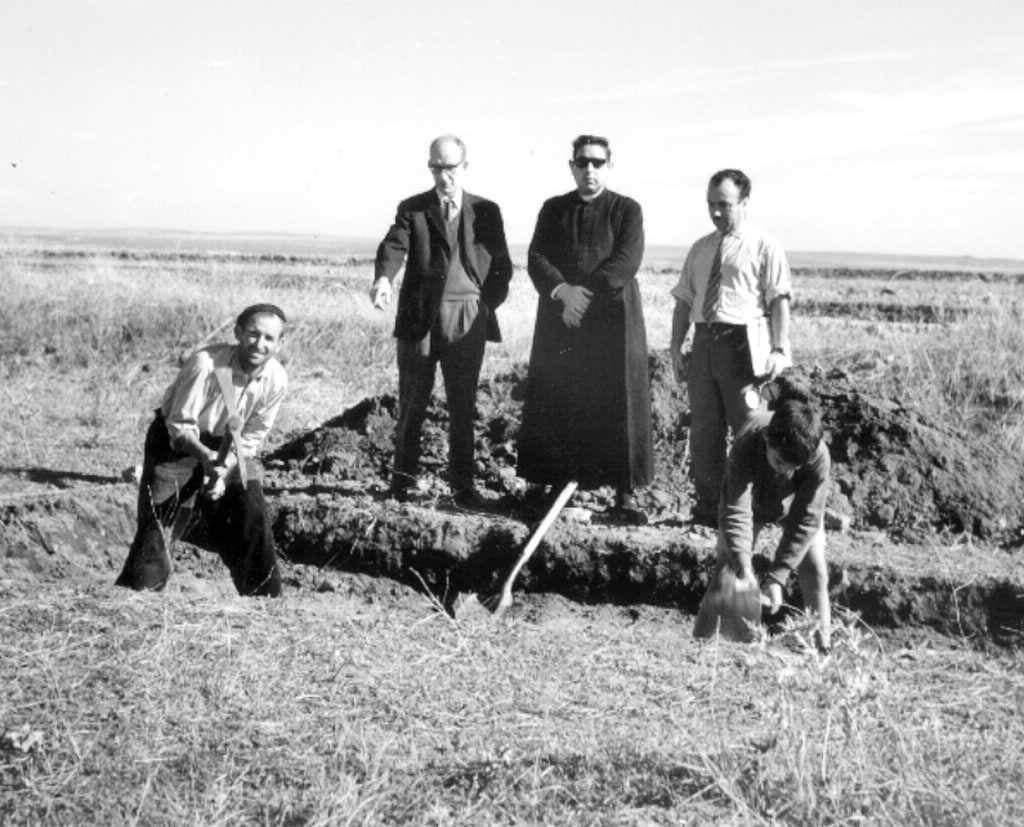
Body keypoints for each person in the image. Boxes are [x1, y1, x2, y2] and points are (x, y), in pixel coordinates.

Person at [370, 134, 512, 508]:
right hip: (420, 319)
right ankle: (402, 484)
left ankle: (463, 488)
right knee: (412, 401)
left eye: (449, 167)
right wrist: (384, 279)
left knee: (462, 405)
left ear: (464, 167)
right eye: (436, 167)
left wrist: (483, 307)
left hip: (468, 316)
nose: (442, 175)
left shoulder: (487, 211)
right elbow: (394, 245)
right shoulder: (413, 208)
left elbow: (501, 267)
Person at [518, 134, 653, 523]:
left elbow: (627, 260)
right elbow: (537, 256)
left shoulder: (627, 210)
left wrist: (584, 296)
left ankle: (624, 496)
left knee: (617, 396)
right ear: (572, 166)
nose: (589, 169)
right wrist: (563, 292)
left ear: (609, 165)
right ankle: (549, 483)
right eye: (582, 162)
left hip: (612, 318)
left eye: (597, 162)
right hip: (561, 317)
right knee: (556, 394)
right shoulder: (553, 208)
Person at [115, 303, 288, 596]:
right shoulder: (206, 365)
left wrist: (225, 467)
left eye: (269, 338)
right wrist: (207, 459)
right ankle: (139, 595)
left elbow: (253, 436)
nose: (260, 344)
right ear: (237, 332)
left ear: (279, 343)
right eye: (253, 334)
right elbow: (179, 427)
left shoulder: (276, 379)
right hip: (177, 444)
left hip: (229, 447)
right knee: (162, 518)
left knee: (252, 508)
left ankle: (265, 598)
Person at [670, 168, 793, 526]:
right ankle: (709, 509)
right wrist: (676, 347)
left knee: (752, 429)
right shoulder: (700, 248)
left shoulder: (764, 246)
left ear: (745, 203)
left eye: (724, 204)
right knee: (705, 432)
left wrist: (778, 349)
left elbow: (778, 301)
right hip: (705, 343)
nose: (716, 212)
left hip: (744, 346)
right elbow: (683, 301)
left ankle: (762, 511)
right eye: (711, 205)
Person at [714, 381, 832, 650]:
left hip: (791, 505)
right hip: (754, 501)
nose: (784, 471)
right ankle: (738, 640)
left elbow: (807, 520)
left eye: (793, 467)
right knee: (730, 561)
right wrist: (745, 566)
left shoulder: (818, 457)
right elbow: (736, 509)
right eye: (779, 462)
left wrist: (777, 577)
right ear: (768, 439)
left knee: (815, 567)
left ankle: (821, 642)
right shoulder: (749, 438)